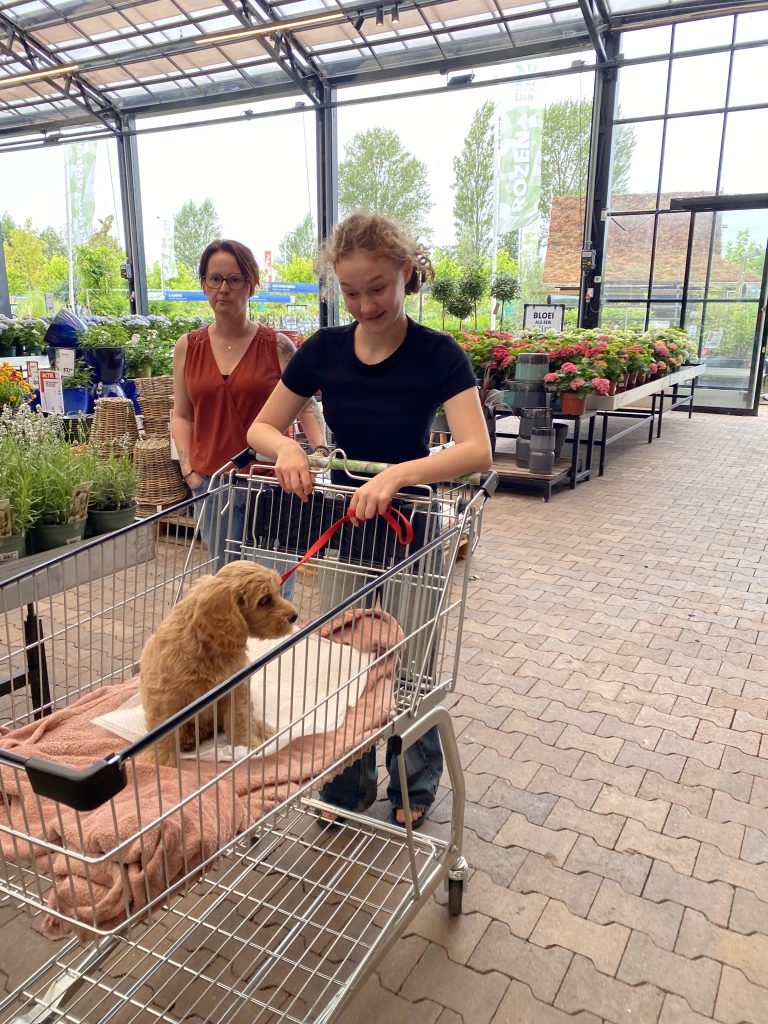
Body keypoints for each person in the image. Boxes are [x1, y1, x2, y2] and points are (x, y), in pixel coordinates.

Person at [246, 212, 492, 828]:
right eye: (351, 292)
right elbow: (261, 428)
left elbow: (476, 450)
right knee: (343, 663)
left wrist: (401, 473)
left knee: (408, 666)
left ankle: (414, 786)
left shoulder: (439, 354)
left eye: (377, 287)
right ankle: (346, 787)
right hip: (347, 525)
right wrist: (290, 448)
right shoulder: (324, 351)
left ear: (406, 274)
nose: (365, 304)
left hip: (410, 530)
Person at [173, 238, 326, 574]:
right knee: (228, 588)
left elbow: (306, 407)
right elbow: (182, 414)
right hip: (213, 485)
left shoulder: (277, 346)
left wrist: (319, 452)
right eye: (215, 279)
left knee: (272, 587)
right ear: (203, 284)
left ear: (251, 285)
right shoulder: (188, 347)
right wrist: (189, 471)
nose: (224, 288)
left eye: (235, 279)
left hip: (273, 485)